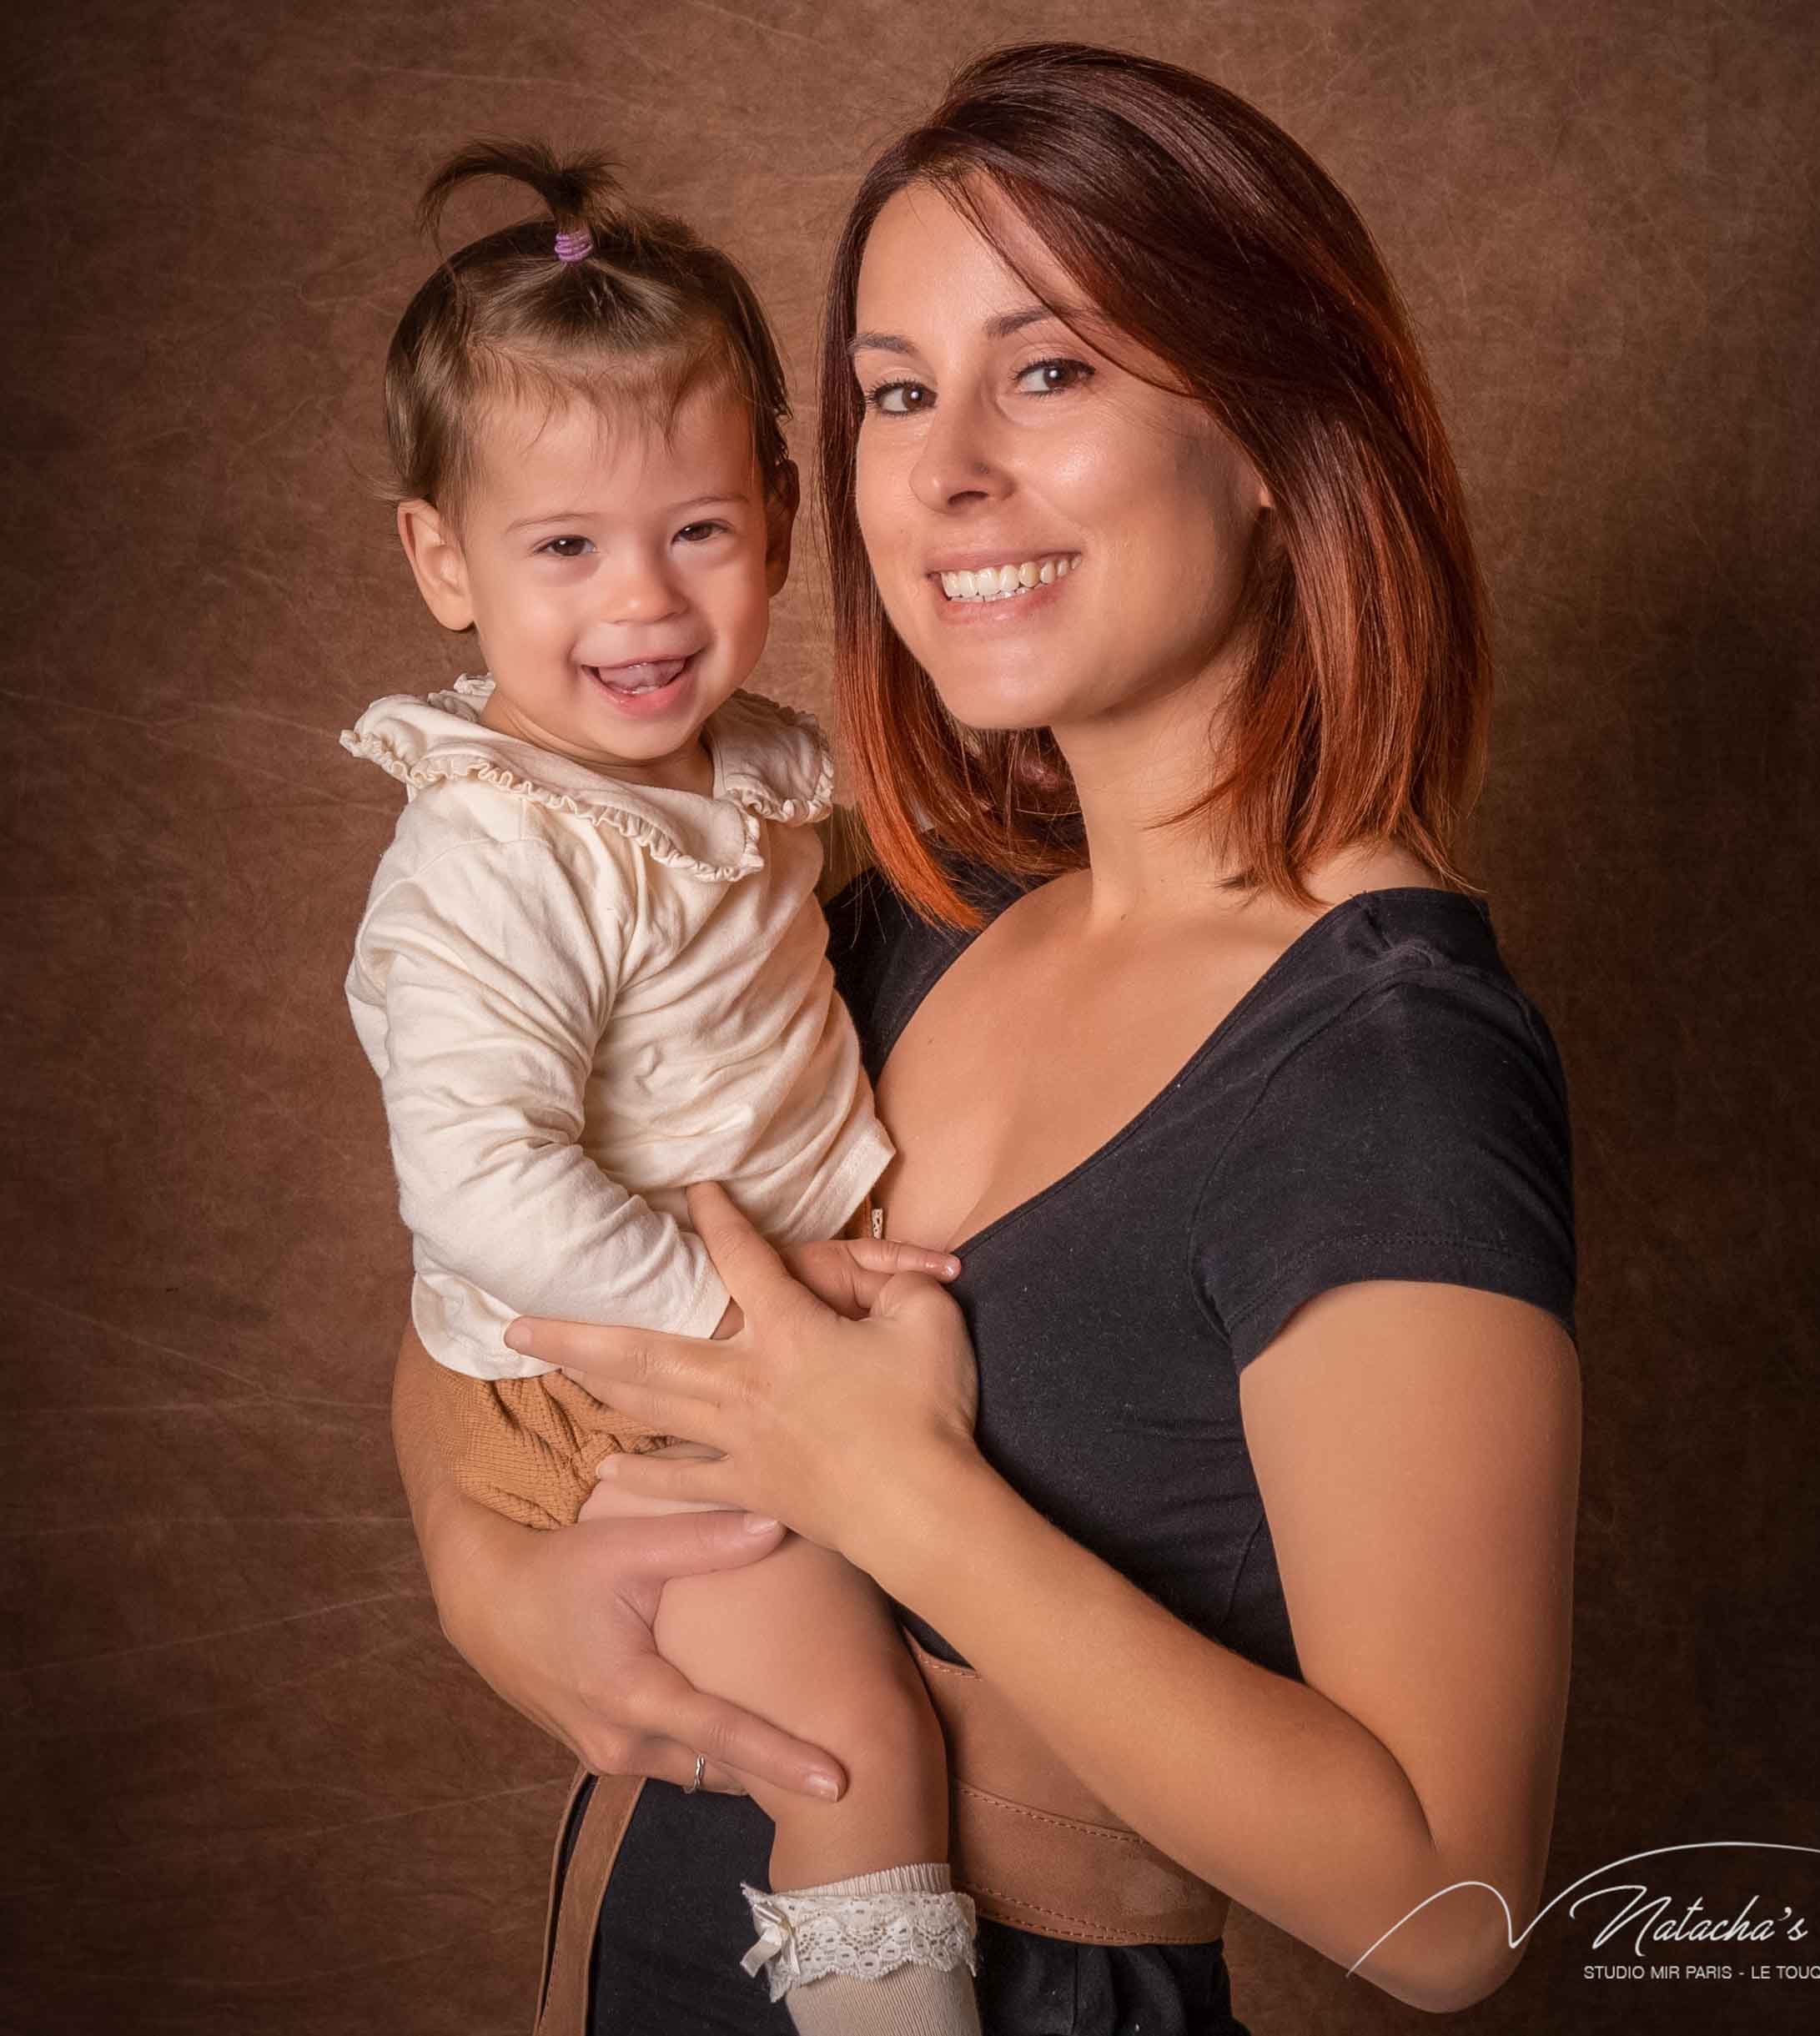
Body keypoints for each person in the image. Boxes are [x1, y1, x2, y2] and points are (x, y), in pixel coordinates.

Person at [388, 43, 1582, 2034]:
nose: (945, 472)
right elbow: (491, 1269)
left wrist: (891, 1486)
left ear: (1280, 433)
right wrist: (483, 1573)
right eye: (892, 391)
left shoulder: (1383, 1070)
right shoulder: (902, 904)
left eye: (1049, 372)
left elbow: (1450, 1907)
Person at [342, 139, 988, 2033]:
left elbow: (776, 965)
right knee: (853, 1738)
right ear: (440, 561)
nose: (641, 603)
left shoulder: (749, 768)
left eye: (696, 531)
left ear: (781, 521)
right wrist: (751, 1316)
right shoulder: (495, 858)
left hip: (716, 1310)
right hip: (606, 1365)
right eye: (563, 547)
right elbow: (475, 1188)